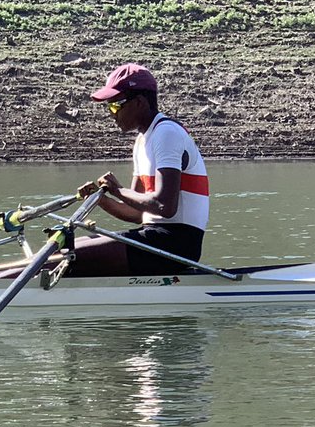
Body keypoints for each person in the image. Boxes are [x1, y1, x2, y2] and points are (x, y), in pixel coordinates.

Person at [69, 63, 210, 277]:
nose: (111, 114)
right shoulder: (142, 141)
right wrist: (101, 200)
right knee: (64, 248)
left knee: (67, 254)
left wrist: (118, 190)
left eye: (115, 106)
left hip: (177, 244)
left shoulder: (167, 133)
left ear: (139, 102)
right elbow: (136, 213)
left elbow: (164, 206)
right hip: (153, 237)